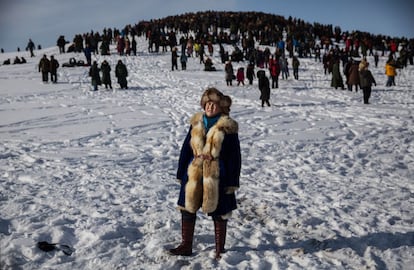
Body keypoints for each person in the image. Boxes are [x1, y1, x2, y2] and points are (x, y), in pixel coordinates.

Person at [169, 87, 241, 259]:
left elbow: (234, 156)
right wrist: (181, 172)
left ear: (221, 107)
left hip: (218, 174)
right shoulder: (196, 123)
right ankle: (186, 245)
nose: (210, 107)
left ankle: (219, 249)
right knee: (188, 208)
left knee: (219, 211)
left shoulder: (227, 127)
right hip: (194, 170)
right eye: (207, 104)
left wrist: (232, 181)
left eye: (214, 104)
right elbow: (186, 149)